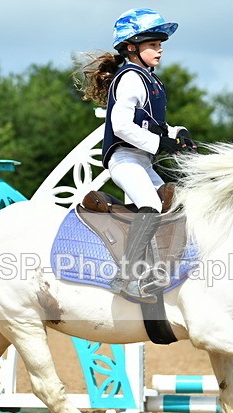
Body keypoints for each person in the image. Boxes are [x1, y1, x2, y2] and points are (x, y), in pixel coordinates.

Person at [75, 7, 196, 303]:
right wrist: (159, 144)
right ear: (132, 47)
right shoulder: (130, 77)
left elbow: (154, 124)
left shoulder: (150, 79)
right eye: (153, 44)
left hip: (141, 161)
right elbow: (120, 126)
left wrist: (177, 135)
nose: (160, 50)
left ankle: (160, 268)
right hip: (124, 160)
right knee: (150, 205)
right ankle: (127, 278)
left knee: (176, 203)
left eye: (160, 45)